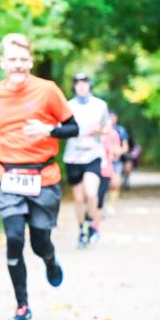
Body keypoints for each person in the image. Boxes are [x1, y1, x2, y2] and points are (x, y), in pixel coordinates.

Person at [0, 34, 78, 320]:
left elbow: (73, 127)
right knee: (15, 238)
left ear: (30, 62)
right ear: (3, 62)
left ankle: (49, 258)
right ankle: (22, 306)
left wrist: (48, 130)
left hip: (44, 176)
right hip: (7, 175)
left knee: (39, 240)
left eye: (23, 60)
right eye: (12, 60)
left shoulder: (48, 91)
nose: (18, 65)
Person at [63, 73, 110, 248]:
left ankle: (92, 225)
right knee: (78, 198)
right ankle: (81, 229)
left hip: (93, 155)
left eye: (84, 83)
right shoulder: (68, 106)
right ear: (74, 86)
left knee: (91, 193)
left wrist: (98, 130)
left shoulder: (100, 105)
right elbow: (60, 129)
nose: (81, 86)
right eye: (78, 83)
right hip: (73, 157)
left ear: (90, 85)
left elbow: (108, 127)